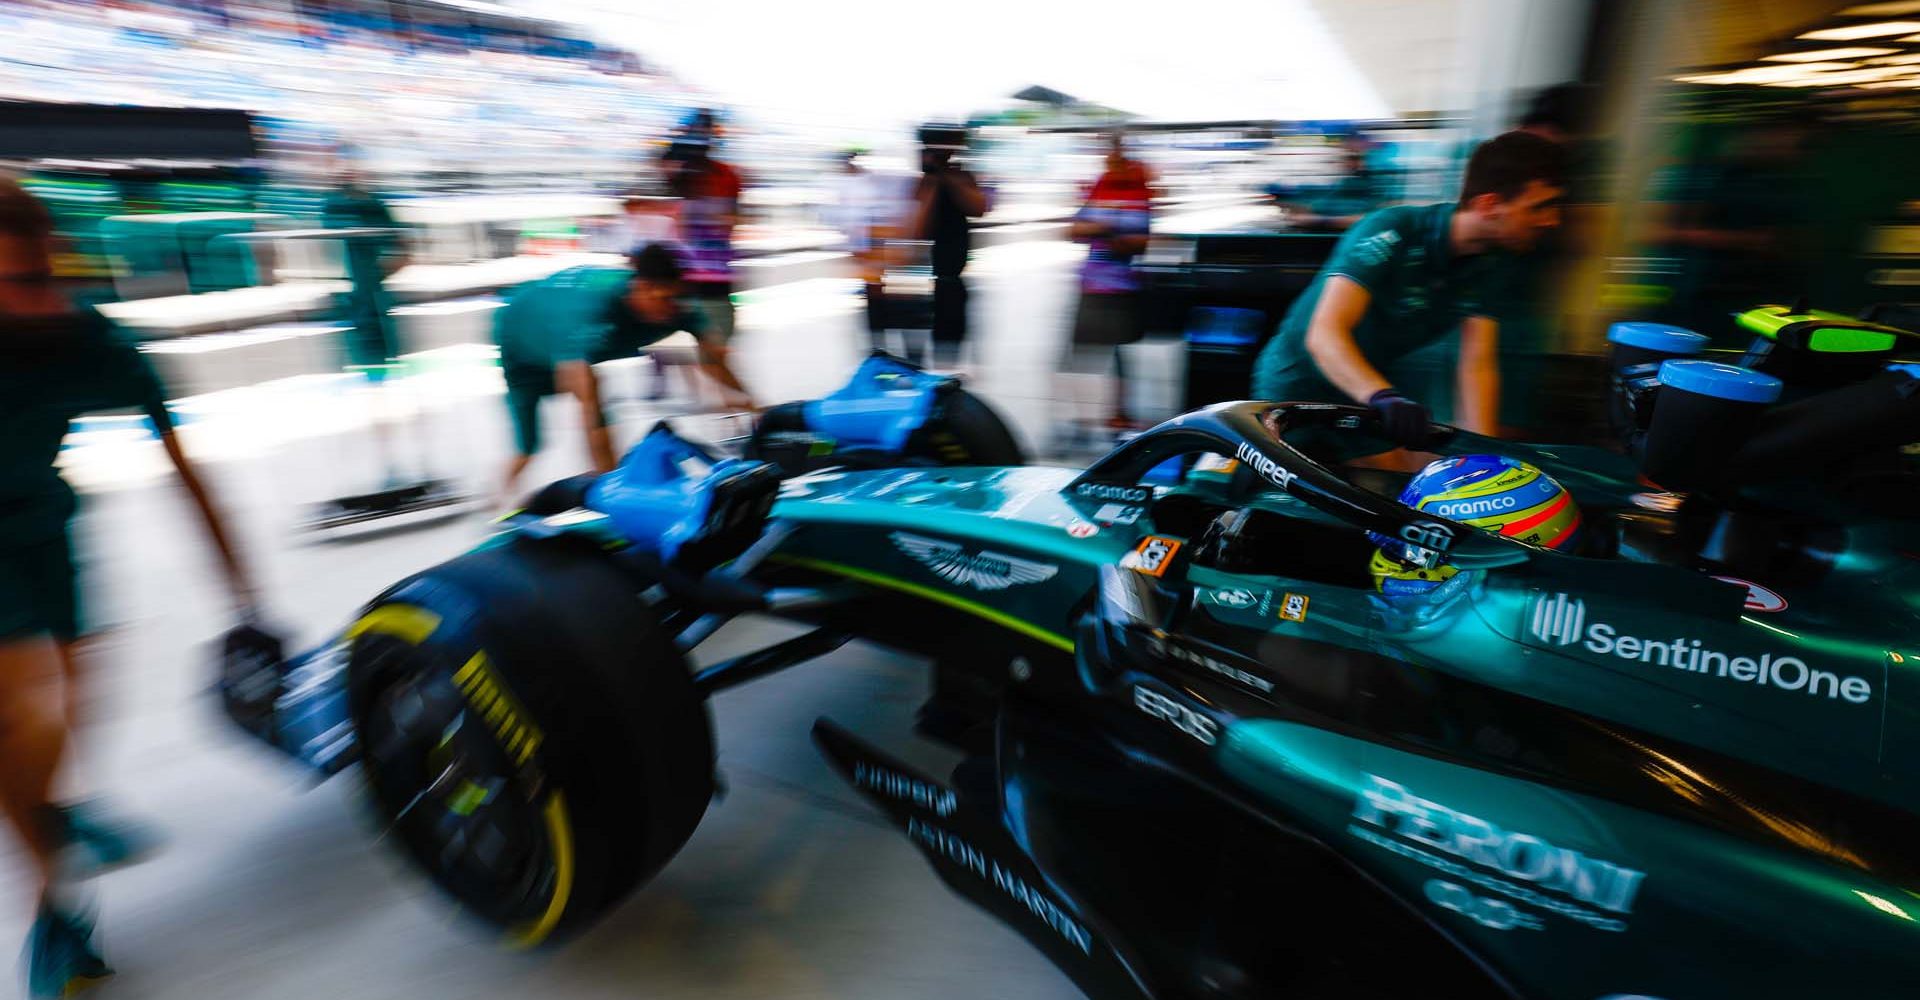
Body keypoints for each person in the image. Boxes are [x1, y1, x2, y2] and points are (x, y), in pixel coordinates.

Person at [0, 178, 257, 997]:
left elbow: (186, 471)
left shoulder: (93, 344)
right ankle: (54, 911)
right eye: (17, 286)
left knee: (79, 692)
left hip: (40, 519)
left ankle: (58, 807)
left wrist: (243, 596)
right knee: (17, 716)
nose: (38, 299)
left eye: (46, 278)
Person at [1251, 131, 1567, 454]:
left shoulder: (1494, 265)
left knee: (1380, 493)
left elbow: (1476, 364)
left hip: (1365, 394)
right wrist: (1384, 397)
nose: (1553, 221)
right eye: (1540, 207)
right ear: (1490, 205)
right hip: (1295, 387)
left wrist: (1483, 456)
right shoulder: (1392, 231)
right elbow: (1325, 334)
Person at [494, 244, 752, 496]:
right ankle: (496, 506)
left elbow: (716, 358)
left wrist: (756, 408)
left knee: (594, 395)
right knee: (529, 447)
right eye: (663, 299)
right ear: (641, 288)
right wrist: (613, 490)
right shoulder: (590, 311)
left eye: (675, 297)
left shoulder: (676, 306)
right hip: (522, 337)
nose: (670, 308)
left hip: (561, 325)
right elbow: (591, 411)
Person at [1065, 131, 1154, 430]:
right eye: (1108, 151)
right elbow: (1075, 230)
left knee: (1117, 355)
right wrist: (1109, 228)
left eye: (1117, 151)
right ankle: (1086, 415)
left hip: (1120, 287)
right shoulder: (1100, 186)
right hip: (1092, 285)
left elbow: (1138, 243)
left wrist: (1102, 229)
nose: (1112, 157)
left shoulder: (1138, 192)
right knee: (1083, 355)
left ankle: (1118, 413)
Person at [661, 109, 751, 402]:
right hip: (701, 280)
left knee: (715, 355)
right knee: (714, 354)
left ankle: (733, 407)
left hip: (708, 280)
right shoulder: (690, 172)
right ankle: (734, 407)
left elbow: (730, 220)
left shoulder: (722, 175)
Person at [908, 122, 989, 366]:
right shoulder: (923, 183)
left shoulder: (961, 177)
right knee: (917, 352)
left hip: (953, 278)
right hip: (924, 280)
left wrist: (945, 175)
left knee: (949, 348)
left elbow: (978, 209)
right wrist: (933, 179)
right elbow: (919, 230)